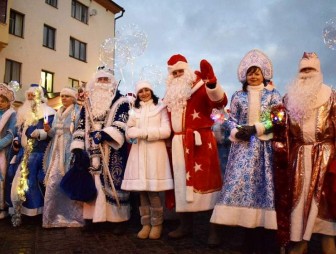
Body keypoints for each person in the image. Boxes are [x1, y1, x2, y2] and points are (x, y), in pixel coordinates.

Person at [210, 49, 282, 251]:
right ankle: (245, 233)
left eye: (257, 72)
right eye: (250, 72)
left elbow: (279, 119)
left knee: (262, 186)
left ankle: (263, 234)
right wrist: (235, 130)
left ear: (264, 74)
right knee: (240, 185)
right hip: (242, 149)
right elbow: (230, 119)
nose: (253, 76)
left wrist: (258, 128)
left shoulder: (273, 95)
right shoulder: (238, 96)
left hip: (263, 149)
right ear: (244, 75)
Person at [163, 54, 227, 243]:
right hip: (177, 143)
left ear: (187, 70)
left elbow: (220, 102)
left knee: (207, 184)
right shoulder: (170, 94)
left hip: (201, 143)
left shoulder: (200, 87)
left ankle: (214, 230)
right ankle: (185, 226)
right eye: (173, 72)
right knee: (182, 184)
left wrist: (212, 83)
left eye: (180, 71)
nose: (177, 75)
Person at [278, 52, 336, 254]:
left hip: (326, 154)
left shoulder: (331, 95)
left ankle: (328, 240)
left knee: (325, 199)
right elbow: (281, 129)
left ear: (318, 71)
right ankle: (301, 241)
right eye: (303, 70)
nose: (306, 75)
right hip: (299, 155)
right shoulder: (289, 99)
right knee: (299, 198)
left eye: (310, 70)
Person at [70, 67, 131, 233]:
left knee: (112, 183)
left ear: (112, 82)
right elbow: (81, 125)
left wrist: (105, 134)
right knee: (92, 182)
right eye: (100, 80)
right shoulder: (88, 103)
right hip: (91, 149)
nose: (103, 83)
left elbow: (122, 123)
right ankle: (92, 217)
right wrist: (77, 146)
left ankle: (117, 219)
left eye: (106, 80)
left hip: (111, 149)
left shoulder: (122, 101)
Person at [121, 81, 173, 239]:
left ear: (151, 91)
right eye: (141, 91)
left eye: (146, 90)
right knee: (142, 192)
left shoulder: (160, 108)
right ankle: (146, 224)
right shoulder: (134, 111)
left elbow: (166, 131)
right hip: (138, 154)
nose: (144, 93)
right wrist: (132, 133)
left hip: (155, 154)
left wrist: (142, 133)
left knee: (153, 192)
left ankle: (157, 224)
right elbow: (129, 131)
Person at [9, 84, 55, 226]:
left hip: (37, 152)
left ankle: (35, 211)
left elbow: (50, 131)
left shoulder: (48, 111)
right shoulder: (23, 112)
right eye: (28, 95)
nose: (30, 97)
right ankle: (22, 210)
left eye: (33, 95)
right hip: (23, 152)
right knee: (18, 182)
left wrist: (40, 133)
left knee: (32, 182)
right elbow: (19, 130)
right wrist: (17, 140)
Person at [42, 87, 83, 228]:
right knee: (53, 183)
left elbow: (79, 131)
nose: (64, 98)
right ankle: (51, 218)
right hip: (56, 151)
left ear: (73, 98)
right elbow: (54, 133)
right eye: (62, 96)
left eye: (67, 96)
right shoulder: (58, 112)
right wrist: (49, 131)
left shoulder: (77, 111)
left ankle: (74, 217)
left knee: (69, 180)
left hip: (69, 150)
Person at [0, 83, 17, 219]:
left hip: (4, 152)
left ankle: (2, 207)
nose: (0, 103)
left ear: (8, 102)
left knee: (2, 178)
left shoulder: (12, 115)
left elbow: (11, 135)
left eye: (3, 100)